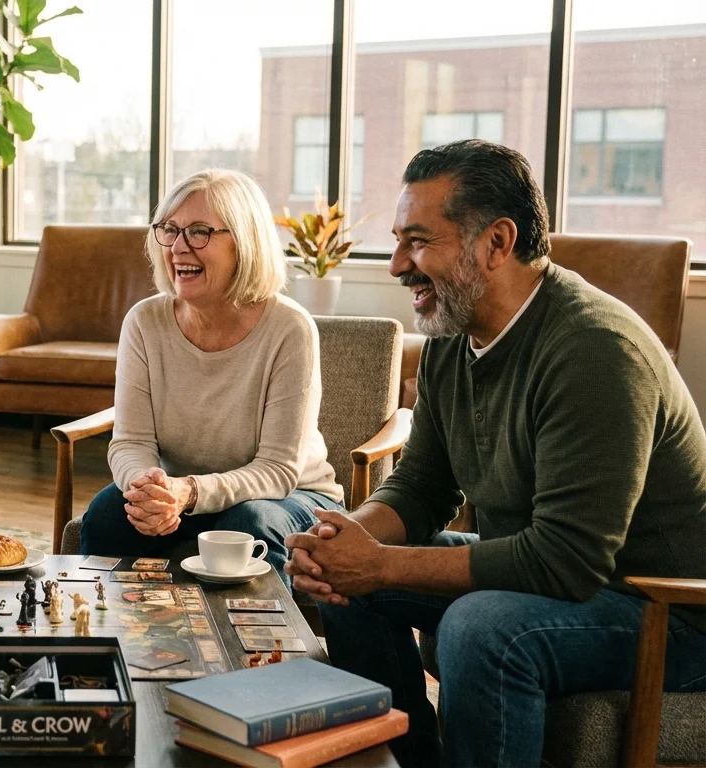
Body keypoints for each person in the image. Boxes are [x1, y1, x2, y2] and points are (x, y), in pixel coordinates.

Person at [285, 140, 706, 767]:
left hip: (663, 610)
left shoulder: (595, 350)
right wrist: (347, 542)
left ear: (497, 242)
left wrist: (381, 564)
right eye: (399, 240)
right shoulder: (454, 337)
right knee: (352, 588)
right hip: (559, 582)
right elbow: (423, 486)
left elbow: (566, 561)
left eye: (419, 241)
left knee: (480, 630)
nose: (398, 263)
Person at [78, 169, 344, 587]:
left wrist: (189, 492)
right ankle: (113, 645)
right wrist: (147, 488)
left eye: (200, 232)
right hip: (182, 495)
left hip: (288, 498)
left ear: (245, 242)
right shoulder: (144, 322)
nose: (179, 247)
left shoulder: (290, 328)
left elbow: (277, 470)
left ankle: (259, 651)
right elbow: (130, 442)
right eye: (170, 230)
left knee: (247, 522)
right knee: (109, 512)